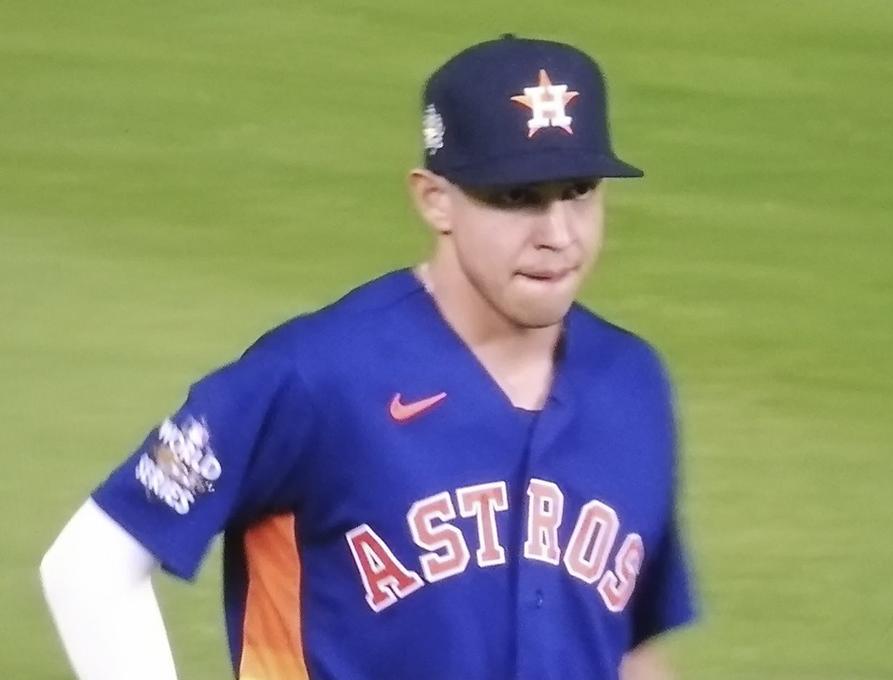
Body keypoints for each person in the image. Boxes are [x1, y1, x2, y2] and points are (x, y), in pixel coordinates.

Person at [40, 34, 696, 680]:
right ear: (435, 199)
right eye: (516, 197)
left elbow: (623, 644)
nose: (557, 234)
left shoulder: (632, 386)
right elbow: (90, 567)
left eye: (578, 190)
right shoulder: (316, 378)